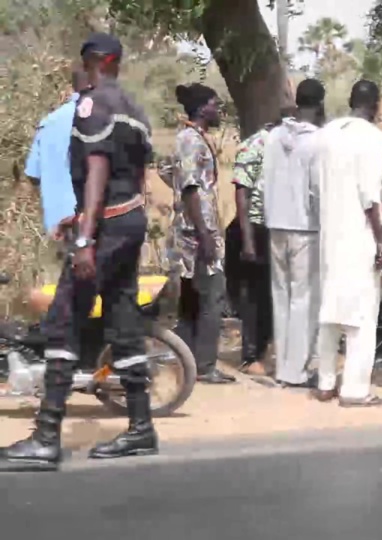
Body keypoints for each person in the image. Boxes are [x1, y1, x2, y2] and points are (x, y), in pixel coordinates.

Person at [0, 33, 157, 470]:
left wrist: (86, 237)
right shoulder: (135, 110)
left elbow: (96, 172)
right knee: (123, 320)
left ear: (93, 62)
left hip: (105, 227)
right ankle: (141, 428)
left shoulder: (91, 106)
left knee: (65, 316)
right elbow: (137, 178)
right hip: (130, 223)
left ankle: (46, 436)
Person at [312, 80, 382, 407]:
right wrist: (381, 240)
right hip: (358, 236)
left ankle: (325, 383)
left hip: (329, 236)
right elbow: (370, 196)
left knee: (329, 312)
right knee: (361, 316)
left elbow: (316, 187)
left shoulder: (327, 133)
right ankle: (355, 390)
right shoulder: (371, 137)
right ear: (375, 106)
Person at [169, 83, 235, 385]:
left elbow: (169, 173)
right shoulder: (189, 141)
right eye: (214, 103)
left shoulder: (191, 139)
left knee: (193, 298)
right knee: (211, 295)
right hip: (197, 234)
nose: (218, 108)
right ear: (201, 108)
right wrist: (205, 235)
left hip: (193, 230)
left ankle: (186, 363)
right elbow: (191, 188)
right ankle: (205, 366)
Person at [262, 79, 325, 388]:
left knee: (280, 296)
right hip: (305, 227)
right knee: (303, 298)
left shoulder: (273, 136)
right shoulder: (318, 141)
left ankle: (281, 368)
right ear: (320, 103)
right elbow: (317, 189)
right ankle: (296, 370)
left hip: (275, 224)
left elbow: (265, 181)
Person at [225, 119, 277, 377]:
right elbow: (241, 192)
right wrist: (247, 240)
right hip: (252, 228)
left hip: (271, 228)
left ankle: (262, 350)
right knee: (253, 297)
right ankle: (250, 356)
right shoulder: (254, 145)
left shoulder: (281, 143)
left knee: (268, 294)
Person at [25, 67, 89, 238]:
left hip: (58, 223)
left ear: (72, 87)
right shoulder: (103, 120)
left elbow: (33, 174)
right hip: (92, 218)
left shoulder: (48, 123)